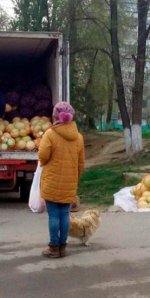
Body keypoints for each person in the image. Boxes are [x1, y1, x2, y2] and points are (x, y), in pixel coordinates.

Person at [38, 102, 85, 258]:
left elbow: (43, 156)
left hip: (51, 180)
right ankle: (62, 248)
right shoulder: (78, 137)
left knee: (53, 215)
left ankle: (53, 248)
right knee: (65, 214)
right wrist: (75, 178)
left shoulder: (50, 134)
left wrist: (43, 163)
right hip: (70, 182)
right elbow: (81, 162)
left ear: (55, 116)